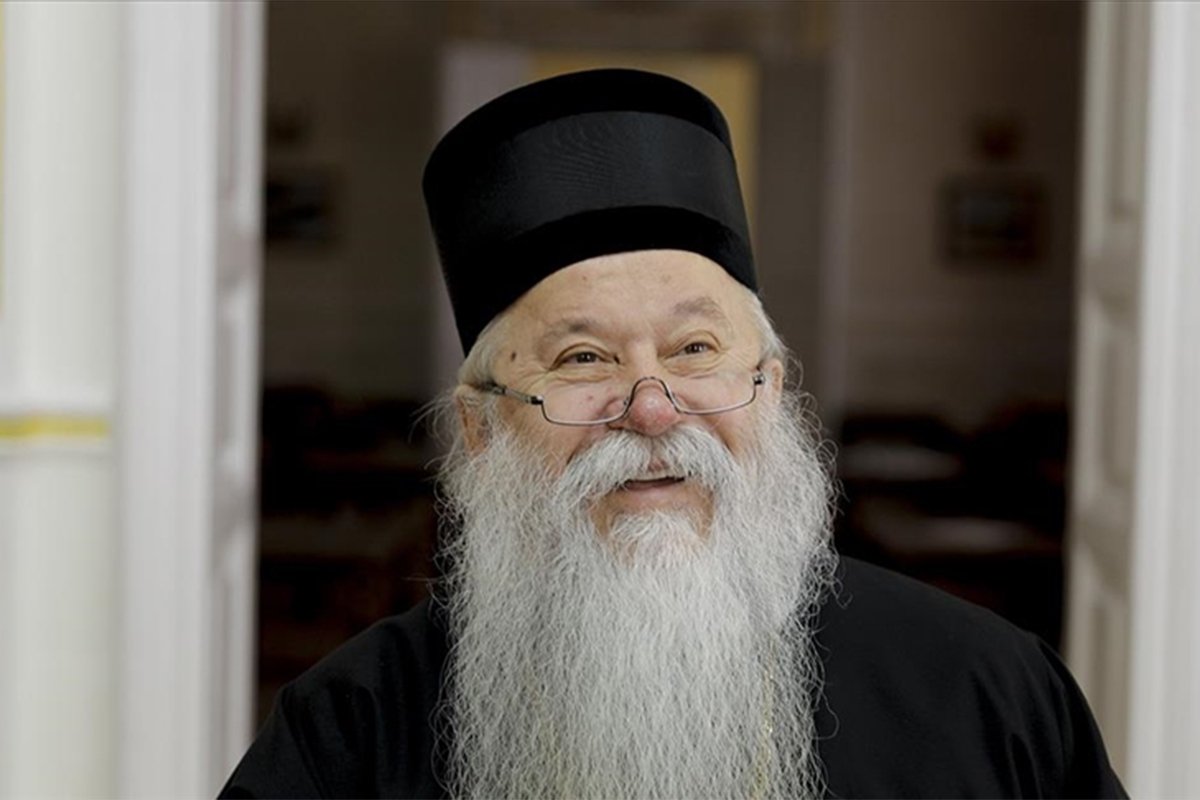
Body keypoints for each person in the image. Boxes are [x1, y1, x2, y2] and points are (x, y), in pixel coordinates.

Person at [220, 69, 1125, 799]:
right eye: (582, 359)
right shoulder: (350, 731)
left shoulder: (986, 691)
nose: (652, 410)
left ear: (770, 388)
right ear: (482, 428)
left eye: (695, 349)